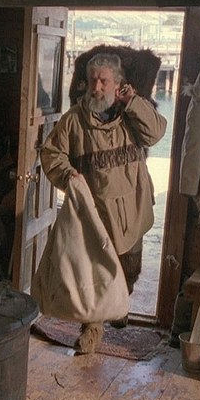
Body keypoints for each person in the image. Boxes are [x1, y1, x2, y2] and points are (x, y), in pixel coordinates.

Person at [40, 52, 167, 353]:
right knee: (95, 274)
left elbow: (156, 133)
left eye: (104, 81)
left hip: (132, 209)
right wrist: (68, 175)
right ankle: (92, 330)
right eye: (92, 80)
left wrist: (133, 102)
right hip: (96, 211)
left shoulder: (132, 113)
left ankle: (120, 302)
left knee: (129, 268)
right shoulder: (74, 120)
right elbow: (51, 154)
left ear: (118, 84)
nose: (96, 88)